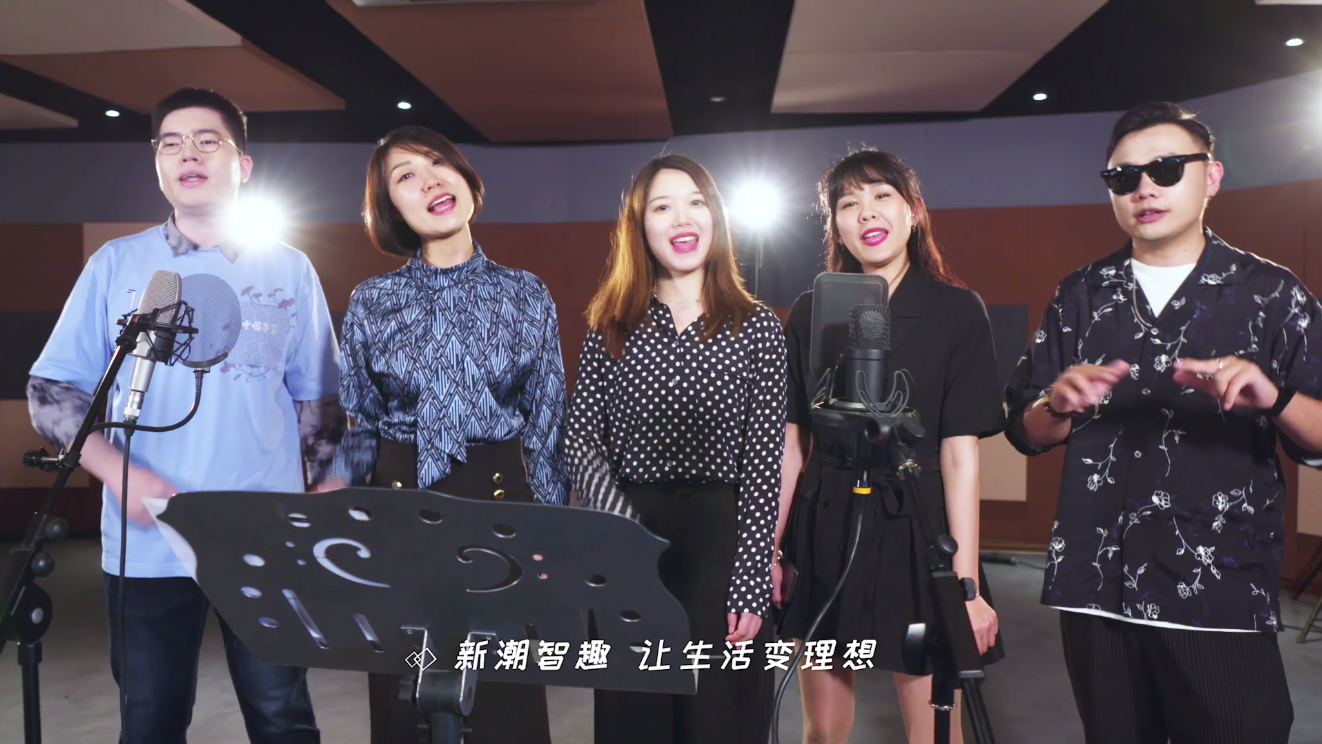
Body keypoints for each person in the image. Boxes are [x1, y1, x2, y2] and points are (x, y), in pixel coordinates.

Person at [27, 87, 339, 743]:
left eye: (206, 141)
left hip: (264, 536)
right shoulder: (117, 264)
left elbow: (320, 402)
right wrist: (121, 475)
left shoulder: (289, 268)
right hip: (148, 543)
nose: (187, 154)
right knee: (150, 721)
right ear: (158, 165)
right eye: (170, 144)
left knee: (282, 718)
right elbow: (51, 390)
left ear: (243, 166)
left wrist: (322, 495)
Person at [1005, 101, 1322, 744]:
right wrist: (1057, 405)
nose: (1144, 188)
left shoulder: (1273, 295)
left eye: (1167, 169)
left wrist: (1274, 396)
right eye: (1124, 177)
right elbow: (1023, 430)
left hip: (1220, 587)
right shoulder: (1080, 294)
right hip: (1095, 584)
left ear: (1212, 177)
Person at [330, 125, 568, 744]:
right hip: (397, 508)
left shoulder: (525, 293)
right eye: (406, 176)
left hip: (500, 506)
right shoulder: (371, 301)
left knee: (506, 708)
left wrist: (553, 534)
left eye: (439, 164)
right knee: (405, 705)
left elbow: (547, 426)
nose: (430, 181)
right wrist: (340, 519)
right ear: (391, 208)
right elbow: (359, 425)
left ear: (465, 178)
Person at [776, 148, 1005, 744]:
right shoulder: (809, 311)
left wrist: (965, 588)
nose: (866, 213)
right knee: (822, 731)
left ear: (914, 210)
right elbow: (793, 444)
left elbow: (959, 456)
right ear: (835, 226)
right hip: (826, 520)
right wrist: (772, 551)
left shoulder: (956, 311)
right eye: (847, 204)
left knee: (934, 731)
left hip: (916, 527)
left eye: (882, 196)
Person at [565, 154, 783, 743]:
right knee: (632, 718)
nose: (682, 219)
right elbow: (581, 439)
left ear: (716, 218)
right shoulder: (610, 324)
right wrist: (624, 532)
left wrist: (751, 578)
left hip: (721, 545)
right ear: (641, 228)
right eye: (662, 207)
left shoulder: (757, 327)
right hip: (628, 540)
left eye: (696, 202)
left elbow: (764, 461)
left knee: (718, 719)